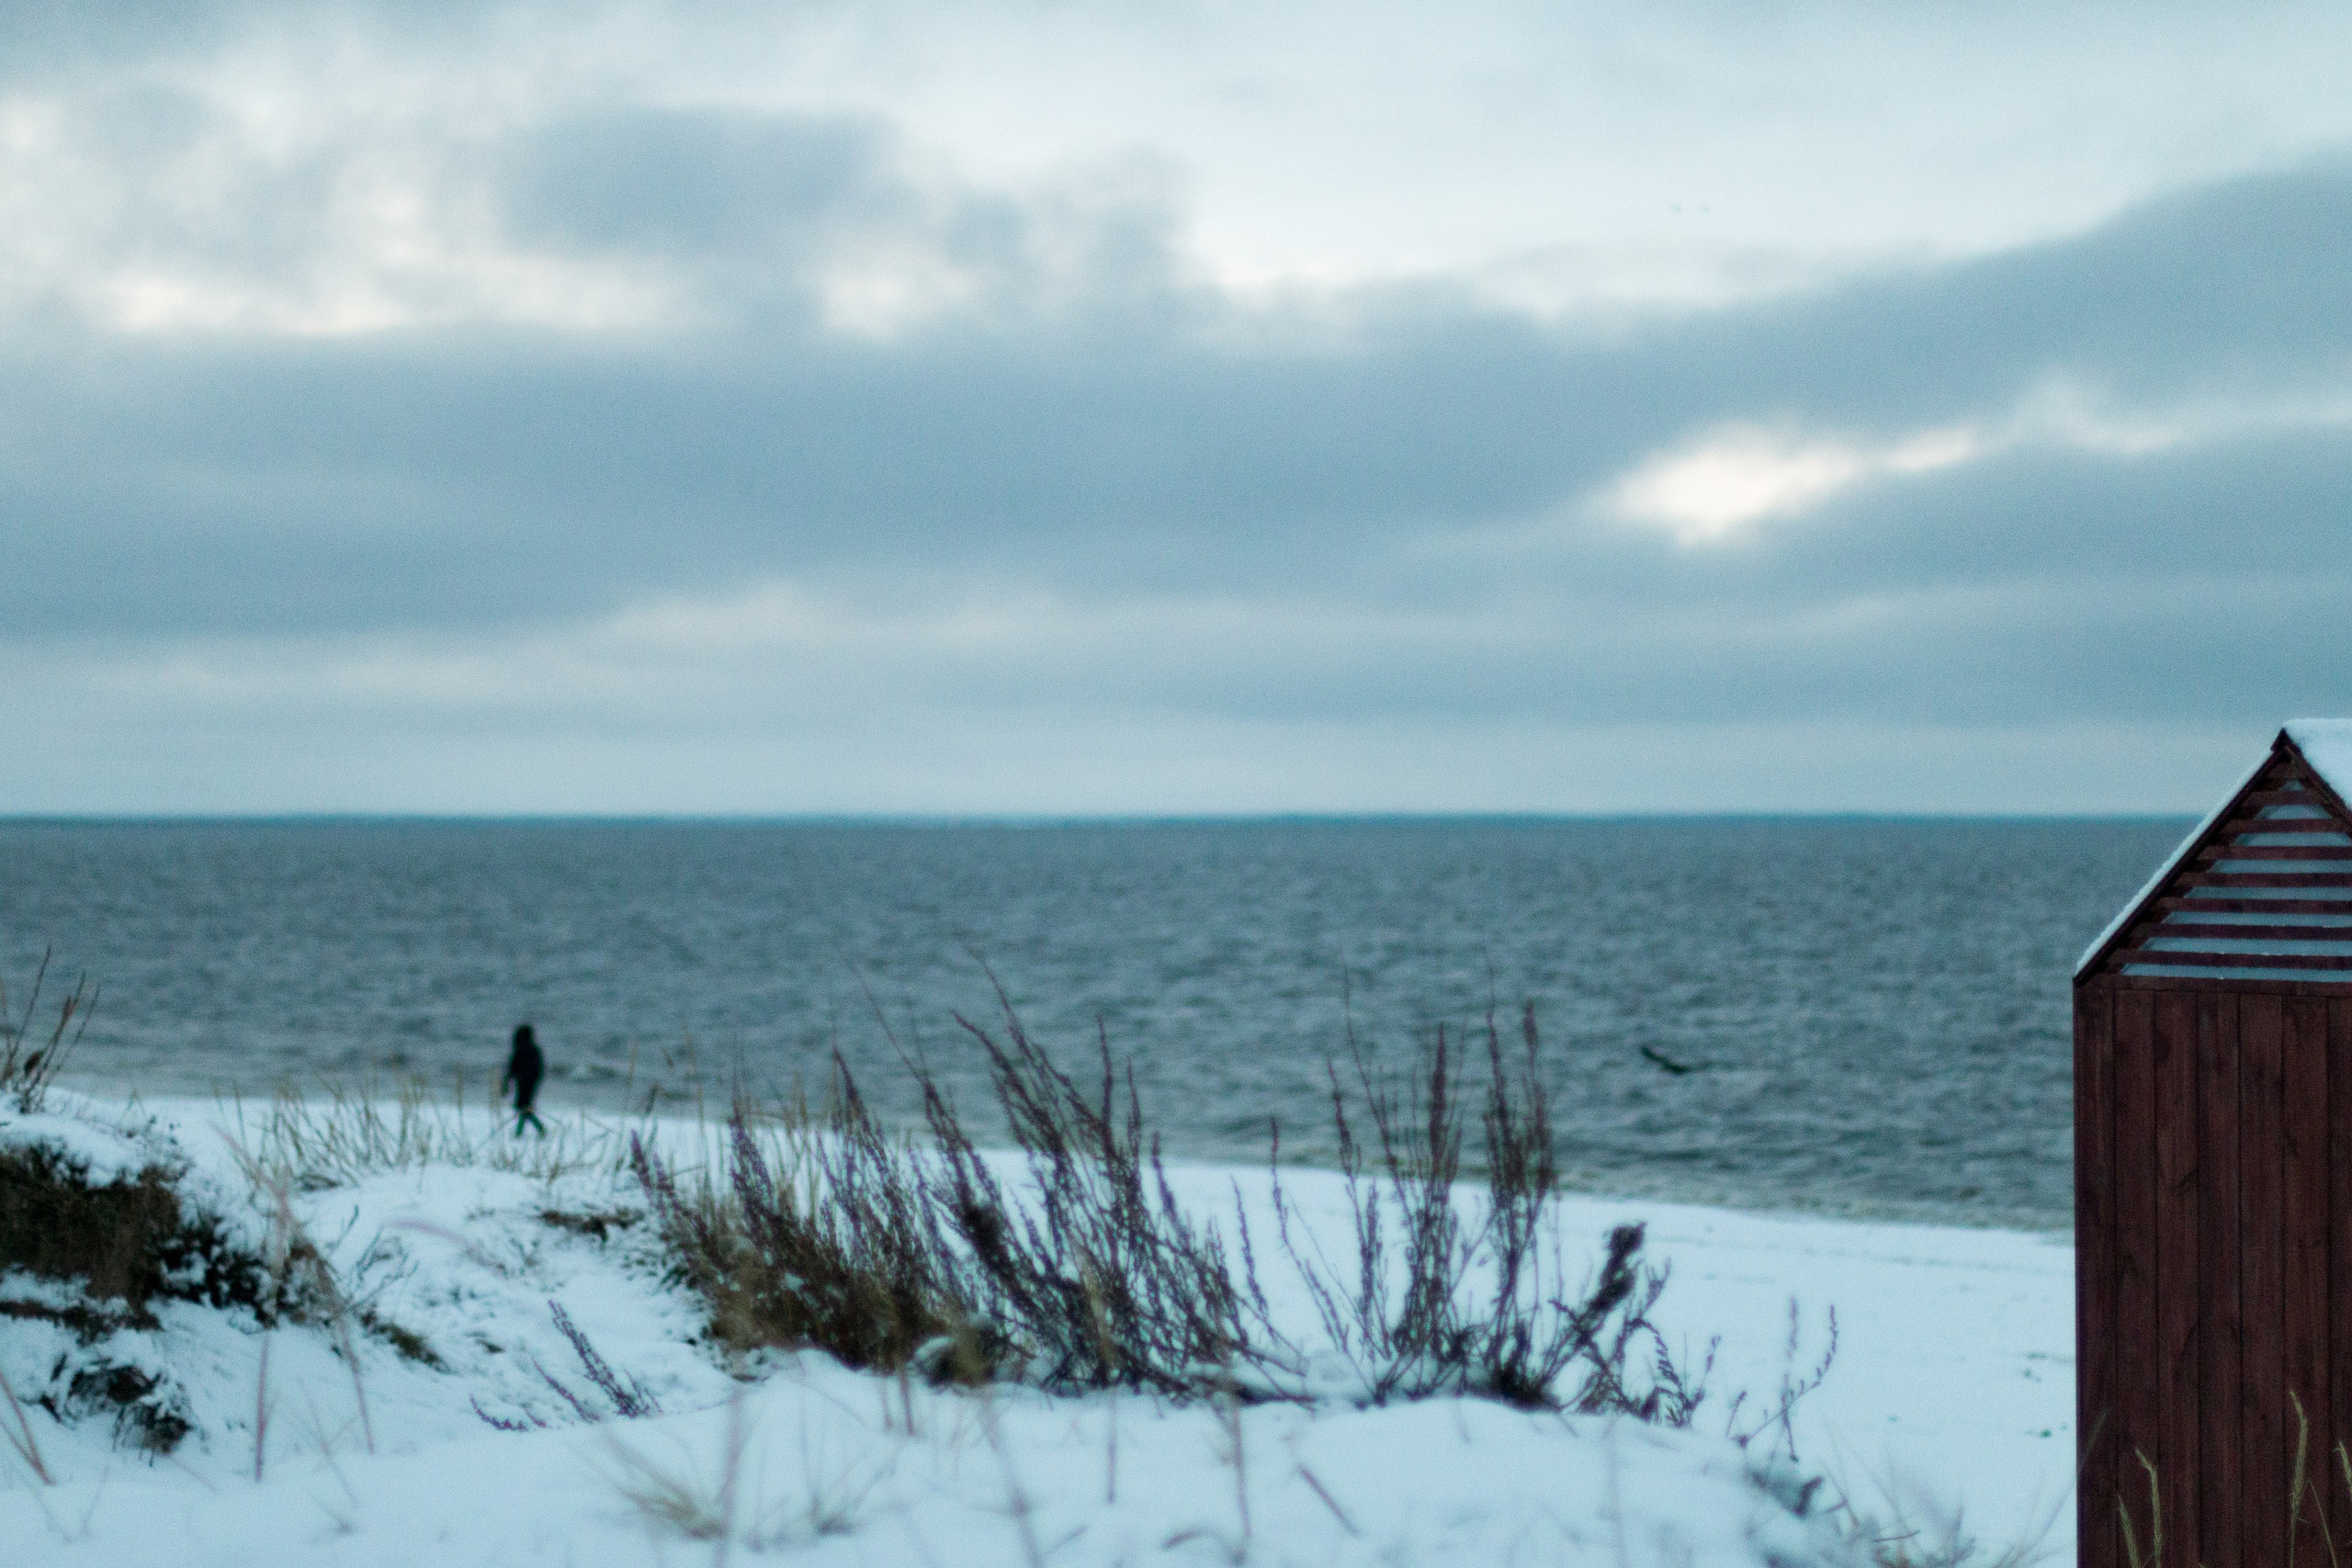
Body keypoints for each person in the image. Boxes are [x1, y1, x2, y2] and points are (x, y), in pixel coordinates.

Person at [501, 1022, 547, 1136]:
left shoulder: (519, 1049)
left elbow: (512, 1068)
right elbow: (540, 1069)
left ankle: (523, 1131)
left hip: (522, 1082)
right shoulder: (534, 1050)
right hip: (531, 1082)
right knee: (524, 1106)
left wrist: (506, 1083)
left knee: (522, 1107)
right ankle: (536, 1129)